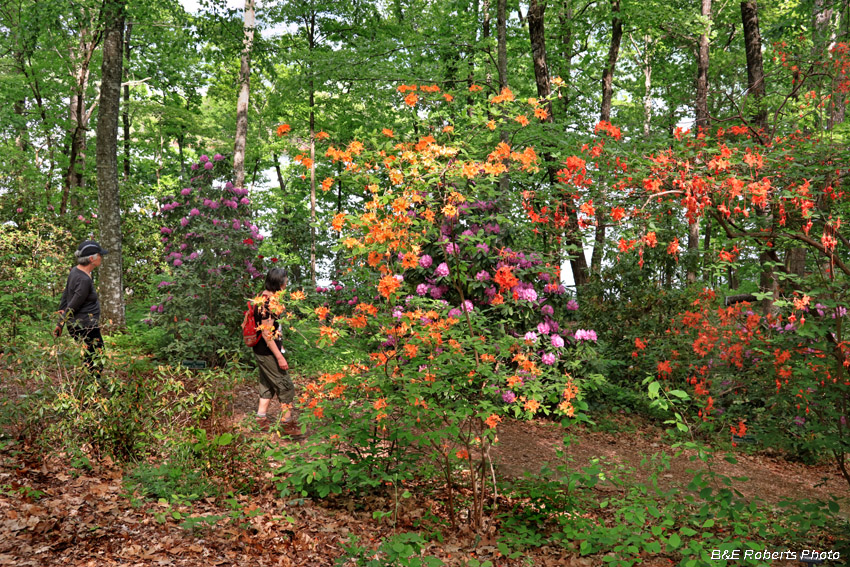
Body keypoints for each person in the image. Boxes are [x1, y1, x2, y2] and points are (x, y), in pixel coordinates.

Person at [252, 268, 300, 436]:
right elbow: (266, 333)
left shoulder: (264, 297)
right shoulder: (267, 303)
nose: (287, 283)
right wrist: (279, 357)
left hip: (263, 351)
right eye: (286, 280)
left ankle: (261, 419)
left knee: (267, 385)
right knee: (286, 386)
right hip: (268, 352)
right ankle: (287, 425)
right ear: (280, 283)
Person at [54, 240, 107, 375]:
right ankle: (92, 387)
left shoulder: (76, 271)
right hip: (85, 326)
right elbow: (73, 303)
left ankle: (88, 384)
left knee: (89, 355)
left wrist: (61, 312)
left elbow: (66, 293)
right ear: (91, 259)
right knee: (96, 356)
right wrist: (60, 323)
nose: (101, 258)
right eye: (100, 255)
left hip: (82, 324)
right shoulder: (84, 280)